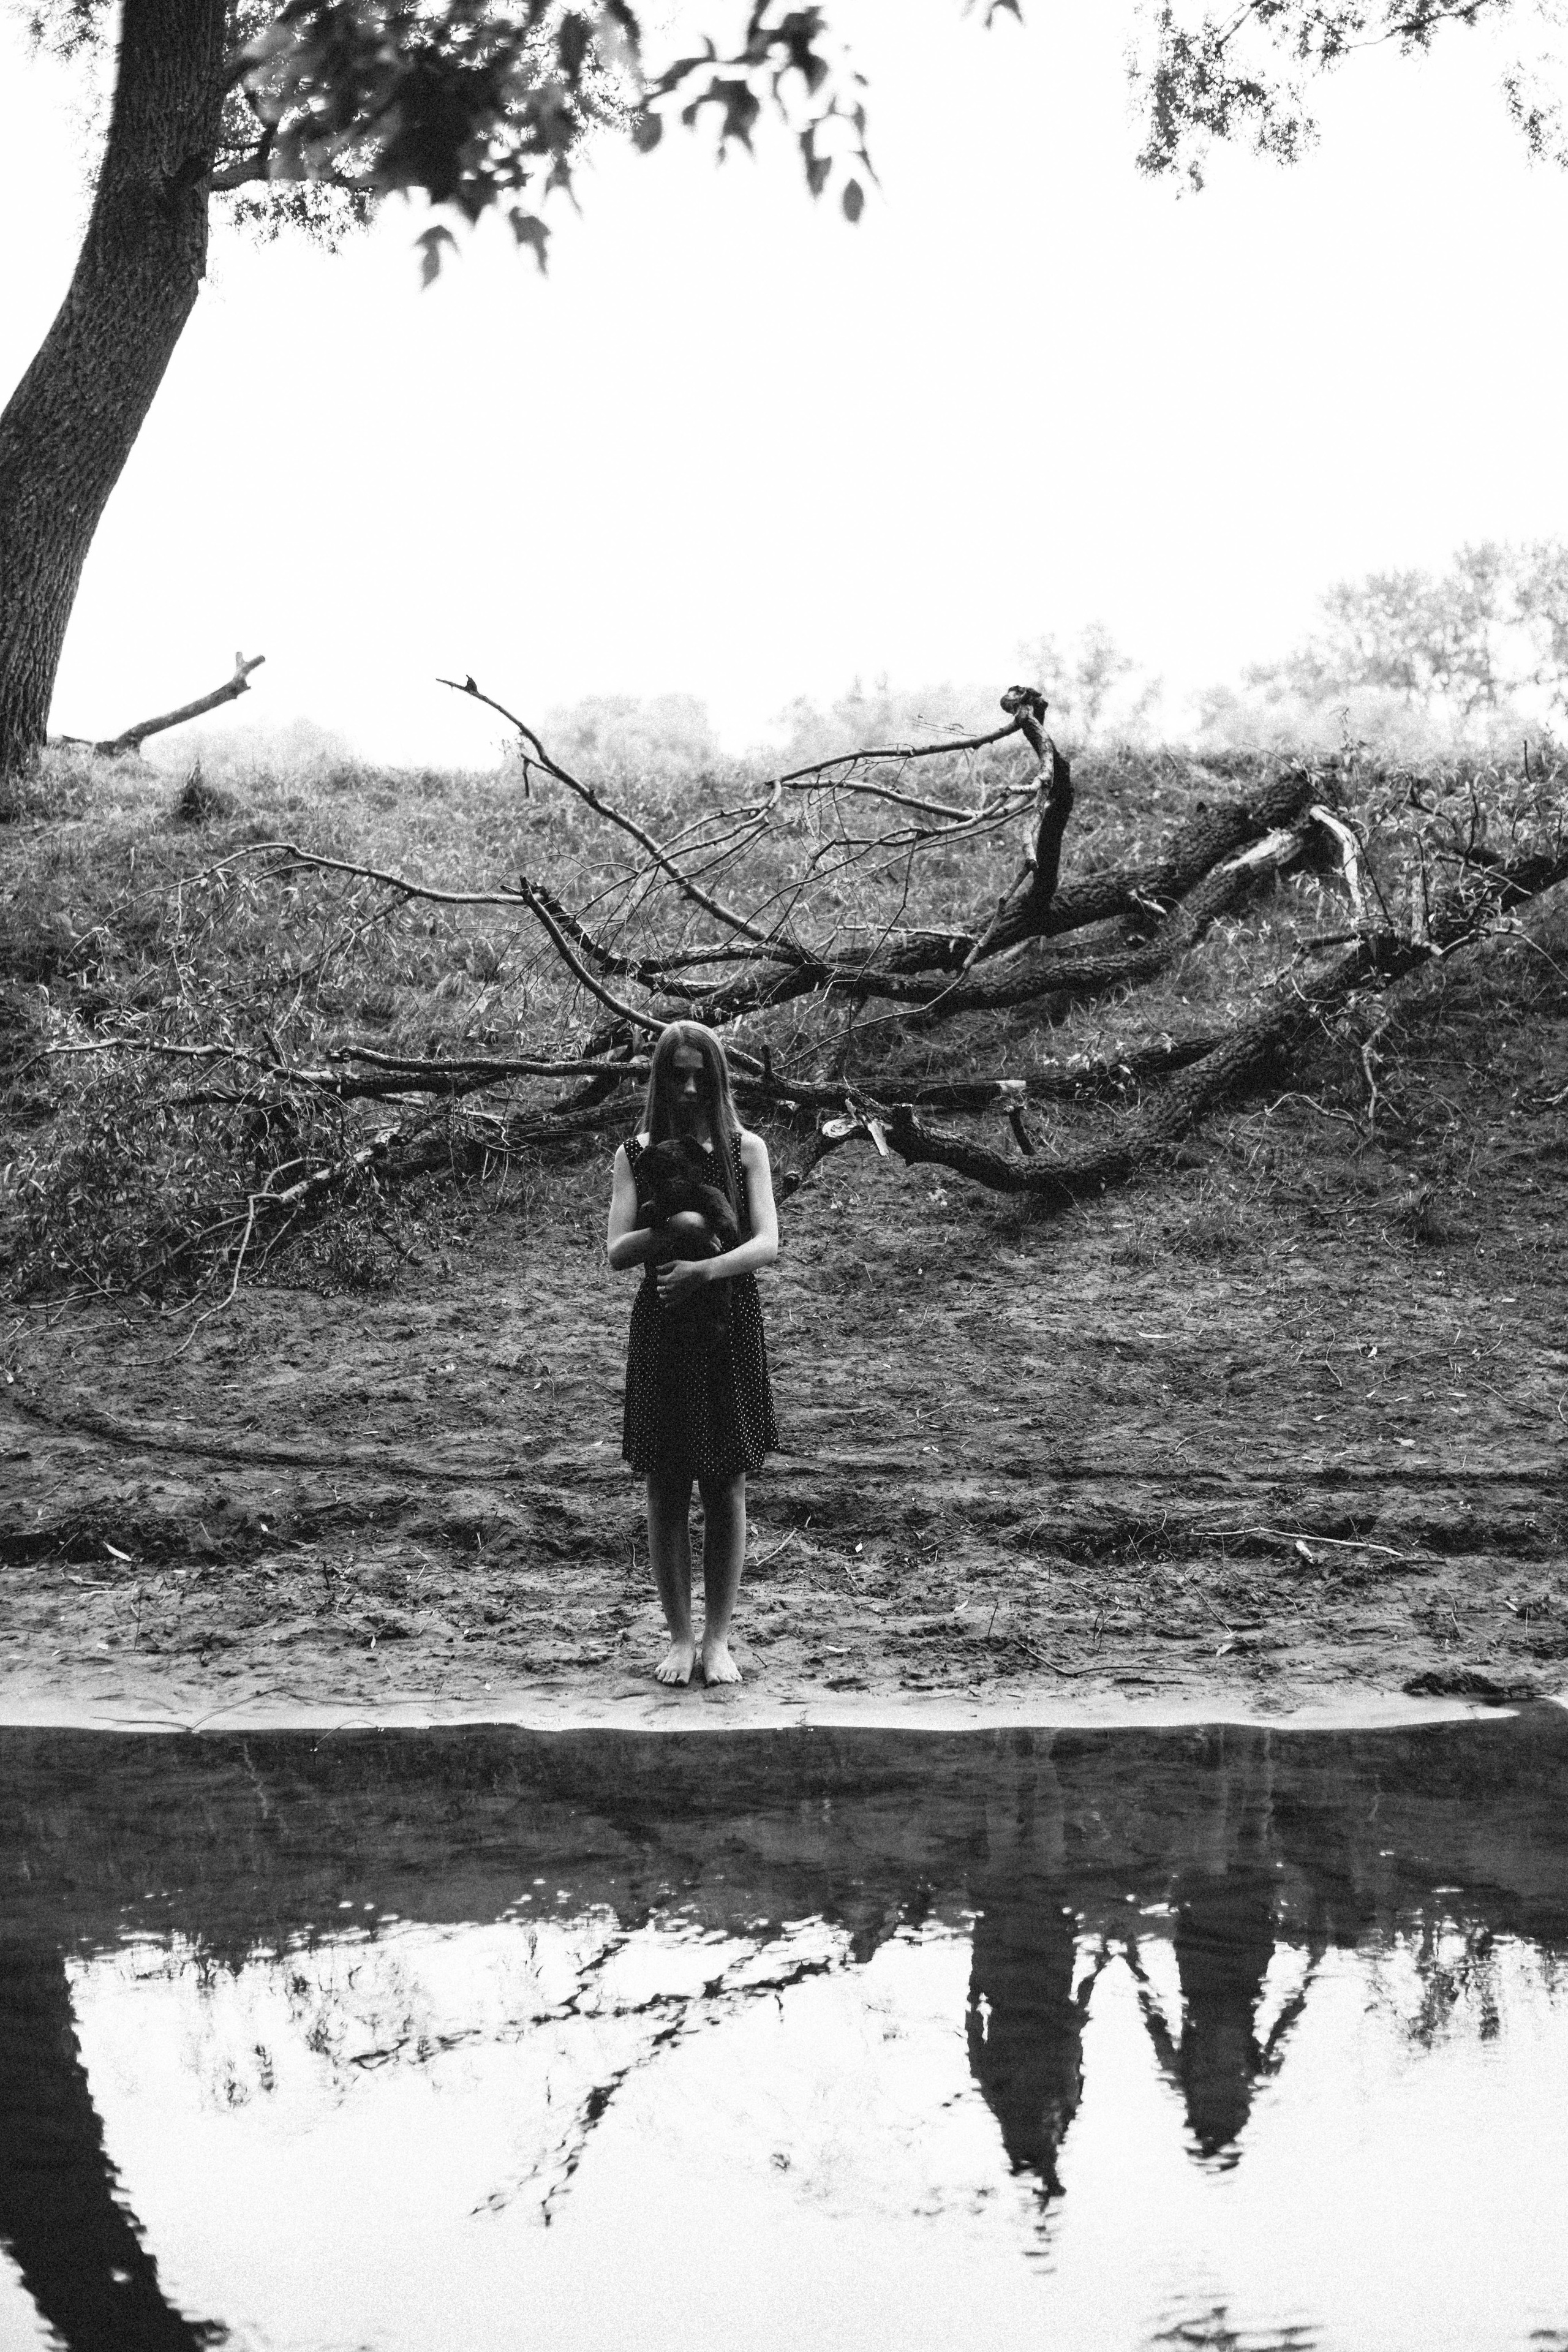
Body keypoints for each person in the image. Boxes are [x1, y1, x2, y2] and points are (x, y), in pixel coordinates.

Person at [606, 1021, 780, 1686]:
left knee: (728, 1480)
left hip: (729, 1321)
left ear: (716, 1078)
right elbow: (615, 1251)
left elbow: (767, 1244)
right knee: (666, 1483)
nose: (686, 1087)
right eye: (674, 1074)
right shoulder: (636, 1153)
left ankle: (718, 1640)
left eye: (698, 1075)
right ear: (658, 1078)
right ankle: (679, 1638)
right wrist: (670, 1232)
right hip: (663, 1325)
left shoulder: (746, 1150)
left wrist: (708, 1270)